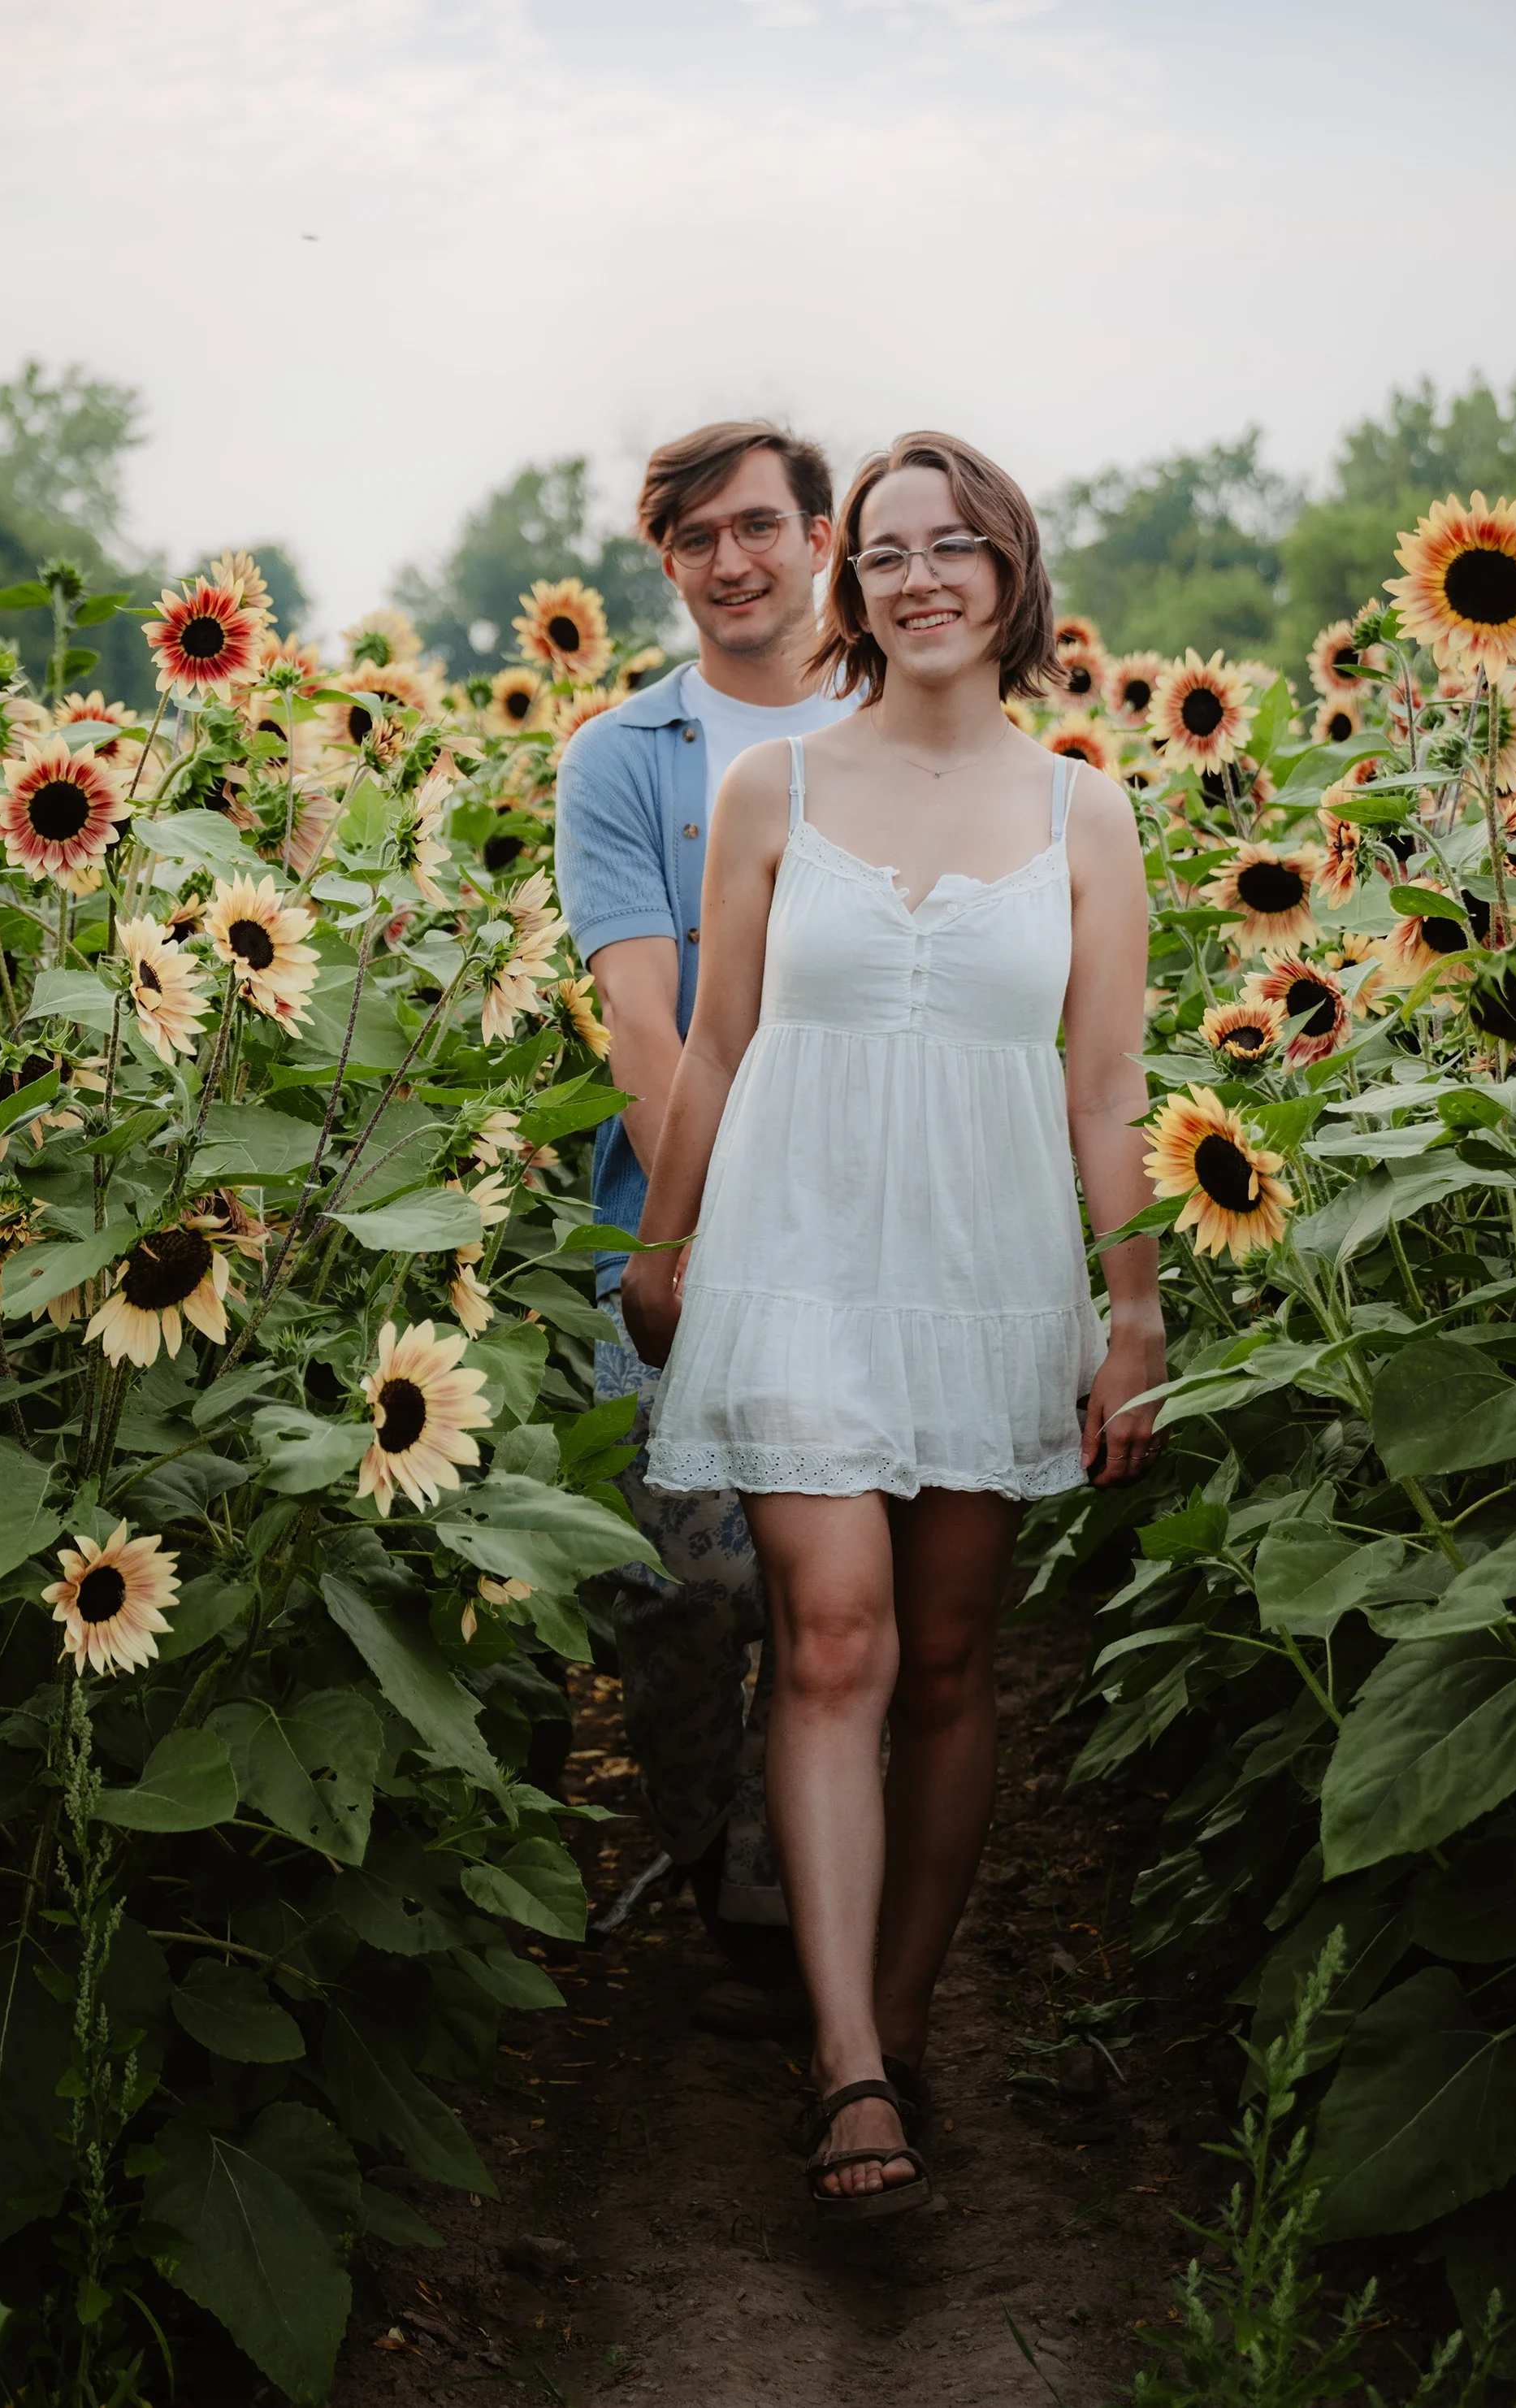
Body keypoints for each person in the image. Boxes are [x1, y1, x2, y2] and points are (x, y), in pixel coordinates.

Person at [622, 431, 1166, 2220]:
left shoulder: (1085, 812)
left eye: (956, 547)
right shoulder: (776, 789)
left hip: (989, 1268)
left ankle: (908, 2008)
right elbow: (714, 1044)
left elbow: (1106, 1091)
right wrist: (669, 1241)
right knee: (835, 1638)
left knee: (944, 1663)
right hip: (795, 1256)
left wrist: (1136, 1314)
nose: (920, 577)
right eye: (886, 552)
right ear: (852, 589)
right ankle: (846, 2053)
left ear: (1012, 572)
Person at [555, 421, 856, 2010]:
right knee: (683, 1588)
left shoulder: (895, 724)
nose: (731, 562)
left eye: (758, 526)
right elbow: (644, 1022)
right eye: (695, 539)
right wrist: (718, 1227)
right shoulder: (627, 756)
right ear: (667, 564)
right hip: (673, 1226)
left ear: (821, 533)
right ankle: (704, 1836)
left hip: (884, 1234)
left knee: (833, 1591)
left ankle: (777, 1898)